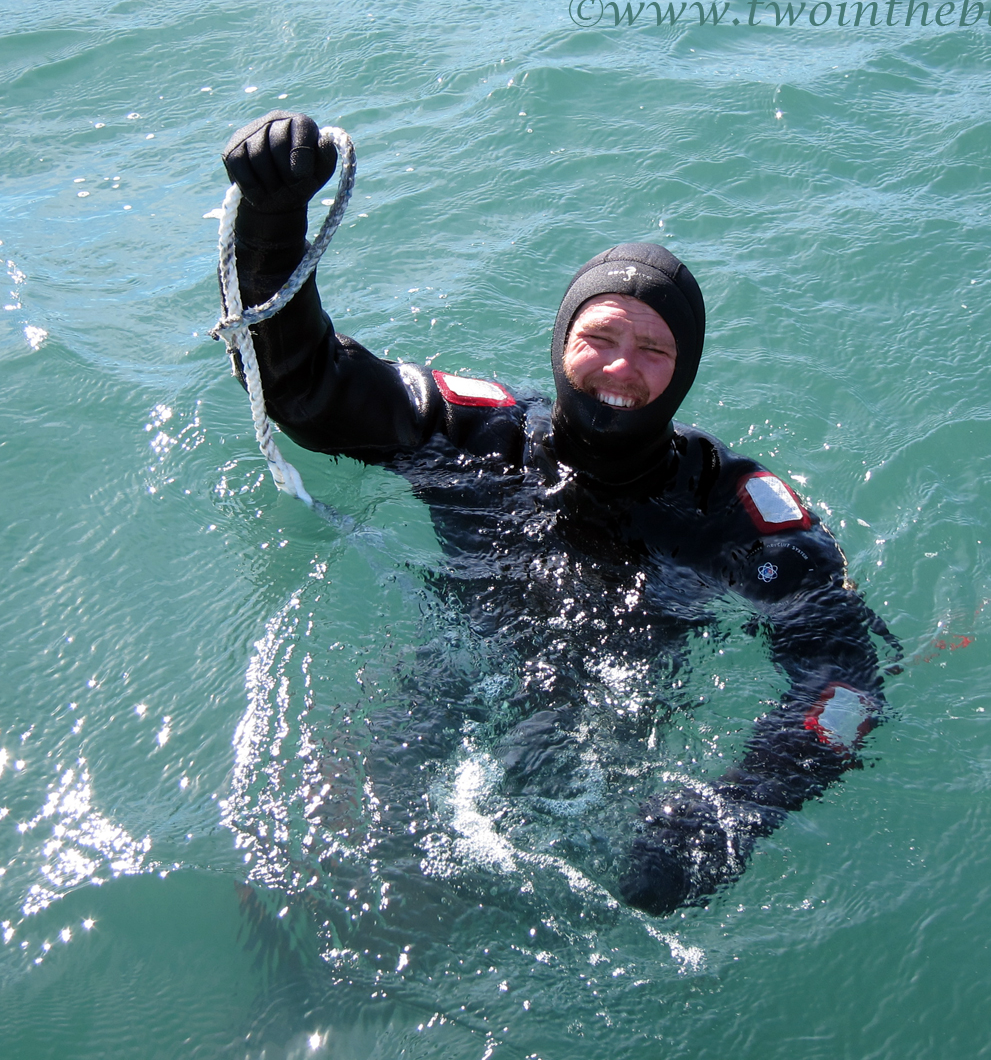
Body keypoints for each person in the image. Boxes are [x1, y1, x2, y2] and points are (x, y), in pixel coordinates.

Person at [220, 111, 898, 916]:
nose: (621, 369)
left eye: (654, 351)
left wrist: (740, 809)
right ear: (560, 341)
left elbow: (847, 688)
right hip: (450, 677)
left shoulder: (734, 511)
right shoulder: (479, 433)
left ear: (684, 373)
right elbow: (304, 388)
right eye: (600, 337)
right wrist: (273, 221)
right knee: (322, 875)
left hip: (612, 730)